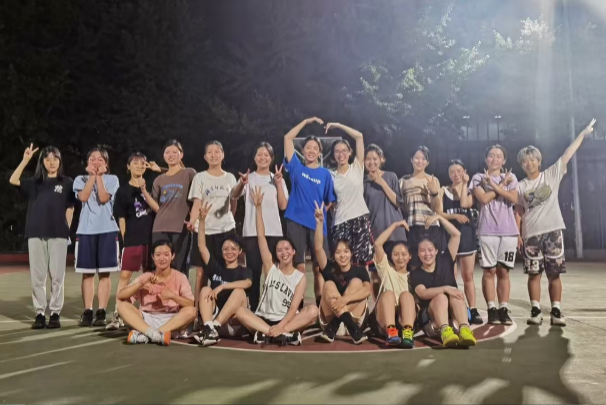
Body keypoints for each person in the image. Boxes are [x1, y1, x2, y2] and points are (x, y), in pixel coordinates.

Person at [516, 119, 596, 326]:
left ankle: (556, 310)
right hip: (531, 234)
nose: (529, 163)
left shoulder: (551, 174)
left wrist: (583, 134)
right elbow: (518, 210)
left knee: (554, 273)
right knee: (533, 273)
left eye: (532, 159)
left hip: (553, 231)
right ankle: (535, 310)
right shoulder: (520, 186)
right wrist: (518, 234)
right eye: (525, 161)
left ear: (539, 161)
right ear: (521, 165)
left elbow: (569, 153)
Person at [235, 187, 318, 346]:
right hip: (264, 318)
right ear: (276, 254)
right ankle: (280, 334)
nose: (283, 252)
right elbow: (261, 236)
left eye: (287, 249)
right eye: (279, 250)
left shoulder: (300, 277)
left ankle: (273, 333)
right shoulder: (271, 268)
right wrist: (258, 208)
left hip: (286, 320)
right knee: (240, 311)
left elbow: (293, 308)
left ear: (293, 252)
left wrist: (281, 326)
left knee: (313, 310)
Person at [9, 145, 76, 329]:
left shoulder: (67, 182)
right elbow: (13, 180)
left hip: (58, 234)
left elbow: (70, 207)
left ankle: (54, 313)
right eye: (47, 159)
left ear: (60, 161)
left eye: (55, 158)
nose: (51, 162)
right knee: (38, 276)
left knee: (57, 276)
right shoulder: (35, 182)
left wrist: (66, 229)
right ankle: (39, 313)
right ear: (42, 162)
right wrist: (25, 160)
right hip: (36, 232)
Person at [283, 118, 336, 306]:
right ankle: (297, 307)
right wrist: (306, 122)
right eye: (308, 147)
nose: (311, 150)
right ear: (303, 150)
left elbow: (330, 200)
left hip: (317, 224)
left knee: (320, 267)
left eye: (315, 148)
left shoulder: (325, 174)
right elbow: (287, 138)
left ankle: (322, 307)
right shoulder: (296, 167)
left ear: (320, 152)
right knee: (298, 266)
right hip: (295, 220)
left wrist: (322, 214)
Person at [106, 152, 162, 330]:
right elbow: (121, 218)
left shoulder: (152, 186)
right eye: (135, 163)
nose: (139, 166)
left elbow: (159, 208)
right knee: (125, 276)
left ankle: (148, 312)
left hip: (151, 239)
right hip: (133, 239)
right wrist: (125, 239)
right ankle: (119, 312)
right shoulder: (123, 191)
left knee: (150, 276)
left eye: (142, 163)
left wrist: (158, 170)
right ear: (128, 166)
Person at [231, 142, 289, 311]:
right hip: (252, 232)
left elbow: (283, 205)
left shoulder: (277, 178)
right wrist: (242, 183)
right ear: (254, 157)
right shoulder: (248, 178)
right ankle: (255, 308)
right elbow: (234, 195)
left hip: (273, 232)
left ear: (271, 158)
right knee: (254, 273)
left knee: (273, 273)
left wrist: (279, 183)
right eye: (259, 154)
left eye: (266, 155)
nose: (263, 157)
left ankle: (274, 307)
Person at [409, 214, 476, 348]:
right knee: (441, 297)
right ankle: (445, 332)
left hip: (453, 315)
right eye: (422, 251)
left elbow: (456, 235)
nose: (427, 254)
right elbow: (423, 293)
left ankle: (464, 329)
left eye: (430, 250)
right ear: (418, 254)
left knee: (455, 295)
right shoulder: (416, 274)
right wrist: (445, 288)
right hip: (431, 320)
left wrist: (440, 218)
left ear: (436, 251)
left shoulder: (445, 260)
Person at [469, 145, 518, 325]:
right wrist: (502, 185)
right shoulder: (478, 178)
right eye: (491, 155)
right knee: (489, 271)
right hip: (487, 230)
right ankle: (491, 309)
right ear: (486, 159)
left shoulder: (512, 177)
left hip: (509, 231)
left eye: (498, 156)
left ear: (504, 160)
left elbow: (514, 199)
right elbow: (483, 199)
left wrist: (498, 184)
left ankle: (503, 308)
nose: (494, 159)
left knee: (504, 271)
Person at [194, 202, 252, 347]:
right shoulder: (216, 267)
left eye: (233, 249)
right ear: (221, 251)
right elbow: (202, 246)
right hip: (216, 319)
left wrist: (222, 287)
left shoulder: (244, 271)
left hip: (234, 324)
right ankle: (209, 327)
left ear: (240, 251)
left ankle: (212, 327)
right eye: (225, 249)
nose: (229, 252)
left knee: (239, 292)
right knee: (205, 289)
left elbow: (247, 283)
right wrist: (202, 221)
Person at [188, 140, 238, 309]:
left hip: (226, 230)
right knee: (201, 272)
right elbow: (197, 203)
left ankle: (224, 309)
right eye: (210, 152)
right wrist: (192, 221)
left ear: (223, 155)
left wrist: (228, 219)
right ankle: (197, 312)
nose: (214, 155)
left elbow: (234, 203)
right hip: (204, 231)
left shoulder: (230, 177)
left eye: (217, 151)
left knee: (225, 271)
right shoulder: (199, 177)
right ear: (205, 156)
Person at [117, 240, 197, 345]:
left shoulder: (180, 277)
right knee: (122, 306)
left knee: (191, 311)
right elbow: (121, 295)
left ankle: (149, 334)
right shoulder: (146, 277)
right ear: (153, 257)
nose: (162, 258)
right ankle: (154, 334)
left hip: (172, 320)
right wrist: (140, 284)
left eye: (166, 255)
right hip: (146, 319)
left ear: (172, 256)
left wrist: (173, 296)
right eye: (158, 255)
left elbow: (191, 304)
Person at [73, 147, 120, 327]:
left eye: (100, 159)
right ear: (87, 162)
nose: (96, 161)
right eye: (92, 158)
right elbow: (84, 197)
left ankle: (101, 311)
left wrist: (99, 177)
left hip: (107, 229)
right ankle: (87, 311)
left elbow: (103, 197)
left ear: (106, 163)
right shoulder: (80, 179)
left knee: (105, 273)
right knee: (87, 274)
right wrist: (92, 176)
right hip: (86, 230)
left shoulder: (112, 179)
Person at [315, 202, 371, 344]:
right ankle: (352, 330)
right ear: (333, 255)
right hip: (331, 317)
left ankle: (337, 324)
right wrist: (320, 223)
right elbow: (318, 248)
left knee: (357, 283)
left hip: (354, 318)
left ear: (351, 253)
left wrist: (344, 300)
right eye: (338, 252)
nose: (342, 255)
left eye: (346, 251)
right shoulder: (330, 268)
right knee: (328, 284)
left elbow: (367, 290)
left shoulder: (359, 270)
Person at [435, 159, 482, 325]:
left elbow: (464, 204)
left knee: (468, 275)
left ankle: (473, 309)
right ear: (448, 174)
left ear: (464, 172)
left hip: (467, 234)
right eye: (452, 172)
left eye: (459, 171)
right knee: (451, 276)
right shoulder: (443, 190)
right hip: (449, 236)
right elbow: (439, 213)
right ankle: (452, 308)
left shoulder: (471, 191)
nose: (455, 174)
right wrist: (455, 216)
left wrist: (465, 184)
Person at [363, 143, 407, 296]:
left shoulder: (391, 176)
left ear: (381, 159)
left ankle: (400, 305)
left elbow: (397, 201)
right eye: (368, 159)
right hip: (376, 234)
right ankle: (378, 307)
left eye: (375, 158)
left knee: (397, 272)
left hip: (395, 234)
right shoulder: (363, 182)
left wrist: (381, 182)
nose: (371, 162)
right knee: (376, 276)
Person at [326, 123, 373, 266]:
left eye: (344, 150)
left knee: (362, 262)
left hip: (359, 219)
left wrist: (337, 125)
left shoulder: (357, 167)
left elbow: (359, 137)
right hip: (340, 222)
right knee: (343, 263)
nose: (341, 154)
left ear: (349, 152)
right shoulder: (331, 175)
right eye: (337, 151)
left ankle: (364, 282)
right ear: (333, 155)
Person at [368, 220, 417, 348]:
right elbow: (378, 244)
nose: (400, 258)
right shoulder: (386, 270)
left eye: (404, 254)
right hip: (384, 320)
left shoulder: (414, 276)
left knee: (406, 295)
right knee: (388, 294)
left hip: (403, 320)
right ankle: (391, 332)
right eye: (396, 254)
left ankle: (407, 334)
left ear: (410, 256)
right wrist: (395, 226)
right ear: (391, 256)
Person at [151, 140, 196, 276]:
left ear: (181, 155)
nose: (171, 155)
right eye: (167, 152)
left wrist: (194, 219)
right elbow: (155, 205)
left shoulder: (189, 173)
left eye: (175, 152)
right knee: (161, 267)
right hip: (160, 228)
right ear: (163, 155)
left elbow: (197, 198)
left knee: (179, 267)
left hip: (181, 227)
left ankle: (181, 291)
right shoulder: (158, 180)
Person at [400, 146, 443, 265]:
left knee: (432, 262)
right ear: (411, 159)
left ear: (427, 162)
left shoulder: (433, 180)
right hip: (412, 226)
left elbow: (438, 209)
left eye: (424, 159)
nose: (420, 161)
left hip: (430, 226)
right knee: (414, 262)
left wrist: (434, 193)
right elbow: (401, 206)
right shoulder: (403, 181)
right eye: (417, 158)